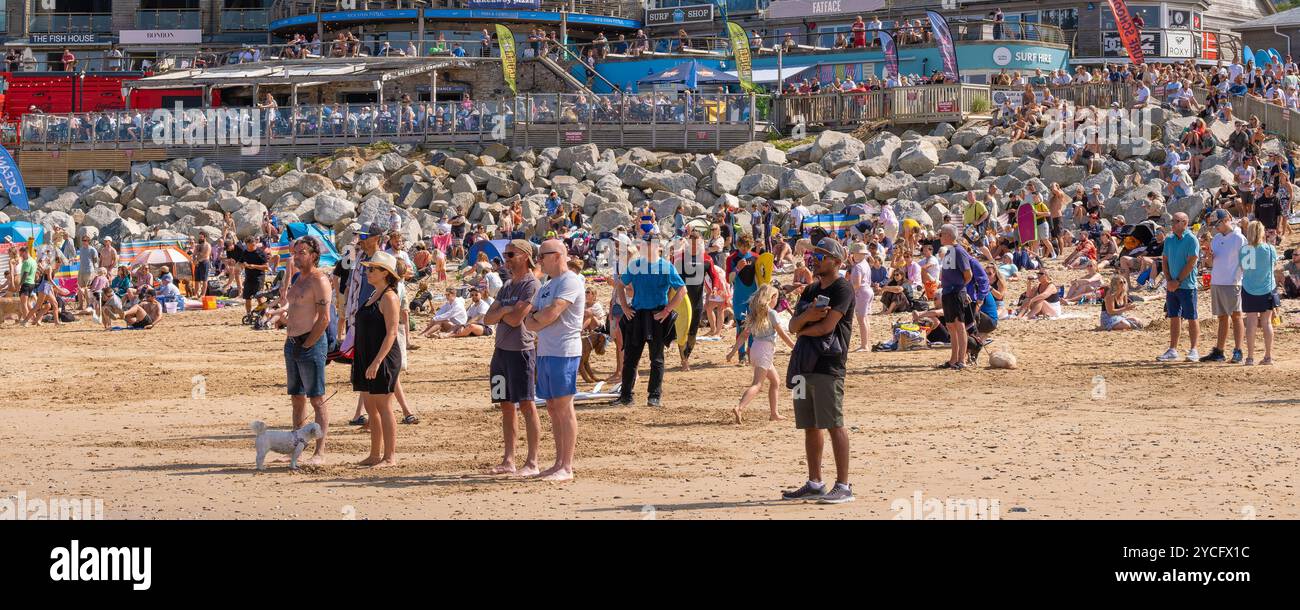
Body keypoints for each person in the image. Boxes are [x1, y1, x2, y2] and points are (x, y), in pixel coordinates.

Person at [782, 238, 854, 505]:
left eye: (822, 256)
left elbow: (826, 328)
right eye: (816, 254)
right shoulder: (811, 290)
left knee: (834, 423)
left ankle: (844, 485)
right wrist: (808, 318)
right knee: (809, 425)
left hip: (828, 365)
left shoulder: (842, 288)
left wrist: (804, 325)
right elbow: (791, 326)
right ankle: (815, 482)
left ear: (836, 262)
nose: (817, 259)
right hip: (803, 364)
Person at [523, 239, 585, 481]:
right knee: (552, 407)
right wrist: (539, 318)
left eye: (542, 256)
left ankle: (566, 466)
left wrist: (539, 318)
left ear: (557, 255)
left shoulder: (571, 281)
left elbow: (551, 313)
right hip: (547, 350)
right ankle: (558, 461)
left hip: (564, 350)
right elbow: (529, 320)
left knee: (563, 406)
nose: (539, 261)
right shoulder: (548, 285)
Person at [484, 240, 541, 476]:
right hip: (501, 352)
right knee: (505, 405)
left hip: (521, 351)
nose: (506, 259)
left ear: (525, 257)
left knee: (527, 404)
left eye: (510, 254)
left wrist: (504, 313)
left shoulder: (531, 285)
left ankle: (532, 461)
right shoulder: (508, 286)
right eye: (505, 255)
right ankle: (509, 459)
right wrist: (507, 310)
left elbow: (517, 320)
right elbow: (488, 318)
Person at [613, 233, 685, 407]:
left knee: (657, 358)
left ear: (657, 247)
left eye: (648, 245)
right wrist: (624, 308)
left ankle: (654, 396)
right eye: (643, 245)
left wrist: (667, 310)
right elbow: (620, 286)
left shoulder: (666, 267)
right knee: (630, 359)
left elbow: (682, 291)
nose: (644, 248)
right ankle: (626, 396)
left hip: (657, 316)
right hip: (637, 315)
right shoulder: (635, 265)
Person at [283, 237, 333, 466]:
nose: (297, 255)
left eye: (302, 252)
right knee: (296, 398)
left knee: (317, 398)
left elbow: (324, 318)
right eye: (295, 252)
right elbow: (291, 304)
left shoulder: (319, 280)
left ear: (313, 255)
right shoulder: (297, 278)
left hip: (310, 342)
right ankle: (297, 447)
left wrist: (308, 343)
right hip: (292, 342)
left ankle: (320, 452)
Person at [353, 251, 402, 468]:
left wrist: (377, 362)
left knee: (383, 406)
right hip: (366, 355)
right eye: (368, 267)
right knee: (370, 406)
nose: (368, 271)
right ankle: (374, 454)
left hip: (382, 357)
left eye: (373, 268)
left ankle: (389, 456)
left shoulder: (389, 296)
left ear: (385, 273)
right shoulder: (373, 294)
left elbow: (391, 332)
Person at [727, 284, 795, 424]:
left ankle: (774, 413)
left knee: (775, 381)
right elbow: (781, 334)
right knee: (757, 384)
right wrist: (795, 347)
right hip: (765, 350)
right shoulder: (772, 313)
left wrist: (732, 352)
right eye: (776, 297)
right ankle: (740, 407)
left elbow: (743, 336)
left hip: (755, 349)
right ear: (772, 298)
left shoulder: (755, 314)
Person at [1202, 209, 1246, 363]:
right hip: (1217, 281)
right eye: (1214, 225)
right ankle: (1219, 351)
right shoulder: (1216, 239)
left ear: (1226, 219)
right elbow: (1209, 264)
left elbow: (1247, 261)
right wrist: (1208, 256)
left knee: (1236, 316)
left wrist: (1241, 278)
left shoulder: (1239, 238)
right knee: (1222, 317)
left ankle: (1238, 350)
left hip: (1232, 282)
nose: (1216, 227)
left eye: (1218, 223)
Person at [1157, 213, 1202, 362]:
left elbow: (1191, 263)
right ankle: (1172, 349)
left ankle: (1194, 349)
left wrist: (1177, 281)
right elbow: (1164, 261)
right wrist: (1169, 280)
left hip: (1187, 286)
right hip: (1172, 285)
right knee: (1174, 316)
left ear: (1184, 223)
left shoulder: (1191, 240)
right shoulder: (1169, 239)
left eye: (1176, 221)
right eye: (1172, 221)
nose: (1173, 224)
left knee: (1191, 317)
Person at [1240, 220, 1277, 365]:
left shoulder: (1245, 249)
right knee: (1267, 322)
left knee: (1251, 322)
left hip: (1250, 288)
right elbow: (1272, 266)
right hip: (1267, 287)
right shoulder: (1269, 249)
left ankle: (1250, 357)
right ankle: (1268, 356)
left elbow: (1244, 269)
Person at [937, 226, 975, 369]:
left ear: (948, 235)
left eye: (941, 234)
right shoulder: (949, 251)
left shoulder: (959, 251)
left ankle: (961, 360)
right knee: (951, 326)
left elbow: (968, 274)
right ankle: (953, 359)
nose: (940, 237)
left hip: (956, 292)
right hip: (947, 292)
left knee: (959, 326)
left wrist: (959, 288)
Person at [675, 231, 708, 371]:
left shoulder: (706, 261)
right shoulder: (680, 261)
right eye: (692, 243)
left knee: (693, 334)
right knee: (682, 332)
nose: (694, 246)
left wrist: (716, 287)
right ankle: (684, 361)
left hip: (697, 302)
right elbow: (674, 281)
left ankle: (686, 356)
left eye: (697, 243)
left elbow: (714, 275)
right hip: (683, 302)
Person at [227, 237, 270, 317]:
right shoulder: (245, 252)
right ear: (246, 245)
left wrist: (254, 266)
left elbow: (266, 267)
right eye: (249, 246)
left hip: (258, 278)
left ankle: (264, 314)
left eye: (253, 246)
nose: (251, 248)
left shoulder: (260, 253)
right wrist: (240, 265)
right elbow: (240, 263)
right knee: (247, 297)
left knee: (259, 297)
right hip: (248, 277)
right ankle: (249, 315)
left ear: (255, 244)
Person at [848, 242, 874, 351]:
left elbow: (857, 284)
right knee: (865, 319)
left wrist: (849, 292)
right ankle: (866, 344)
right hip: (867, 291)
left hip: (861, 292)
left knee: (861, 319)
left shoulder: (858, 266)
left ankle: (864, 345)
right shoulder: (864, 264)